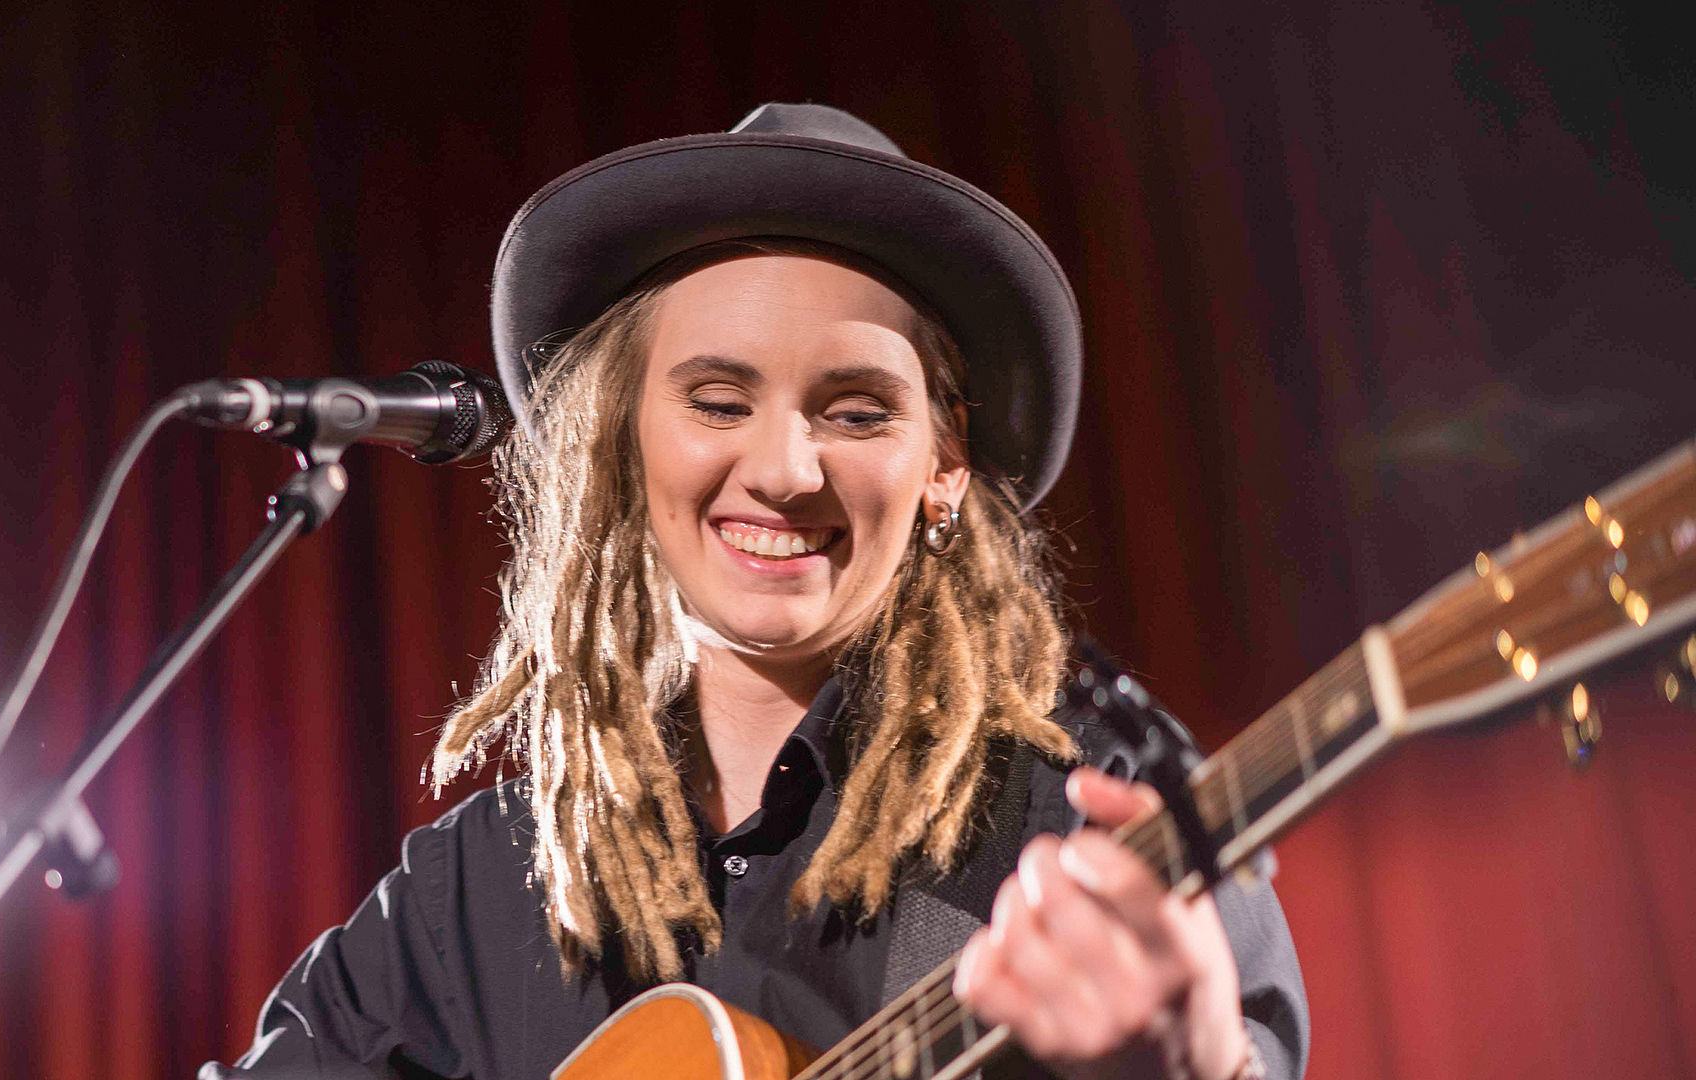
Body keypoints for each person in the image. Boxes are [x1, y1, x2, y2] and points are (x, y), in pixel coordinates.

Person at [203, 104, 1307, 1080]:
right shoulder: (476, 890)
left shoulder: (1087, 825)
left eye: (858, 412)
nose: (784, 471)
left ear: (945, 463)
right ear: (621, 446)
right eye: (720, 402)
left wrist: (1193, 1066)